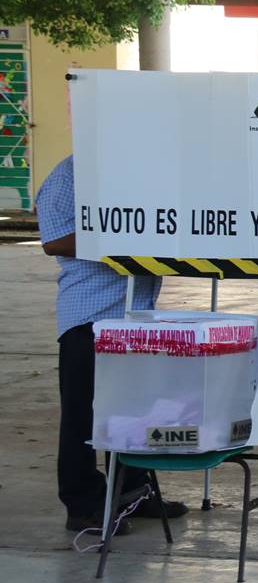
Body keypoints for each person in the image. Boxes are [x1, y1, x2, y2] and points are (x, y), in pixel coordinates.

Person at [36, 156, 187, 535]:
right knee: (84, 417)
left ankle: (133, 492)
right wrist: (124, 236)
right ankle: (83, 505)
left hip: (136, 315)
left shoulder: (137, 168)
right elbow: (54, 240)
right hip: (91, 315)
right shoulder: (72, 172)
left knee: (135, 412)